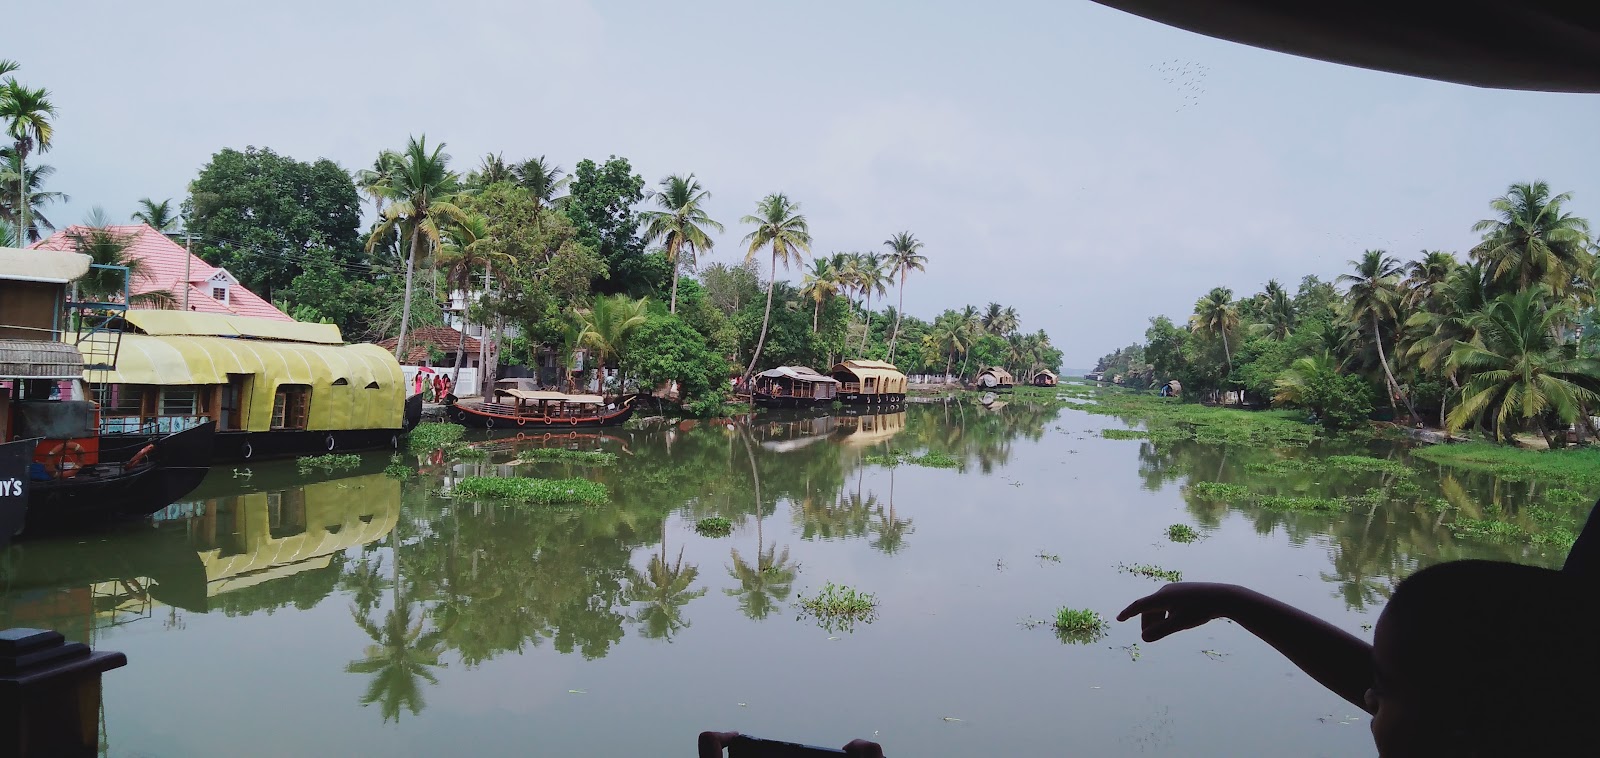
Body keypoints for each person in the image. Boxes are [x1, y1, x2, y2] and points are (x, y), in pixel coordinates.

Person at [1119, 500, 1600, 756]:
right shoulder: (1541, 705)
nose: (1368, 696)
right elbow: (1442, 691)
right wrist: (1232, 601)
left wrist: (1232, 602)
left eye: (1384, 691)